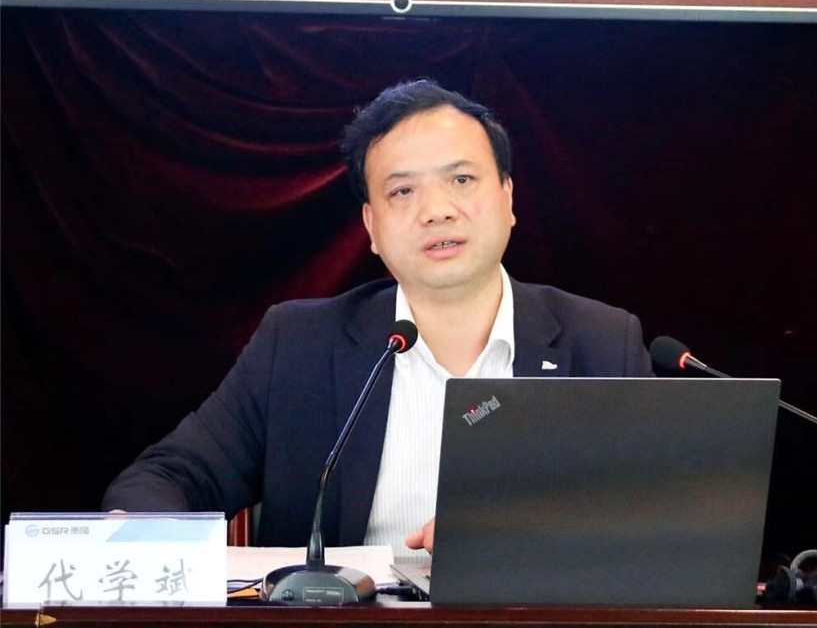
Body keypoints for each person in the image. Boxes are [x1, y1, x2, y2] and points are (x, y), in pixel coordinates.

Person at [102, 79, 653, 561]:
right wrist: (147, 541)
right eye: (403, 191)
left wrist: (526, 534)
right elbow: (168, 476)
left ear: (508, 197)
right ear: (371, 226)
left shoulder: (601, 343)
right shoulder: (298, 346)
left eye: (462, 180)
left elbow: (660, 514)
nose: (437, 210)